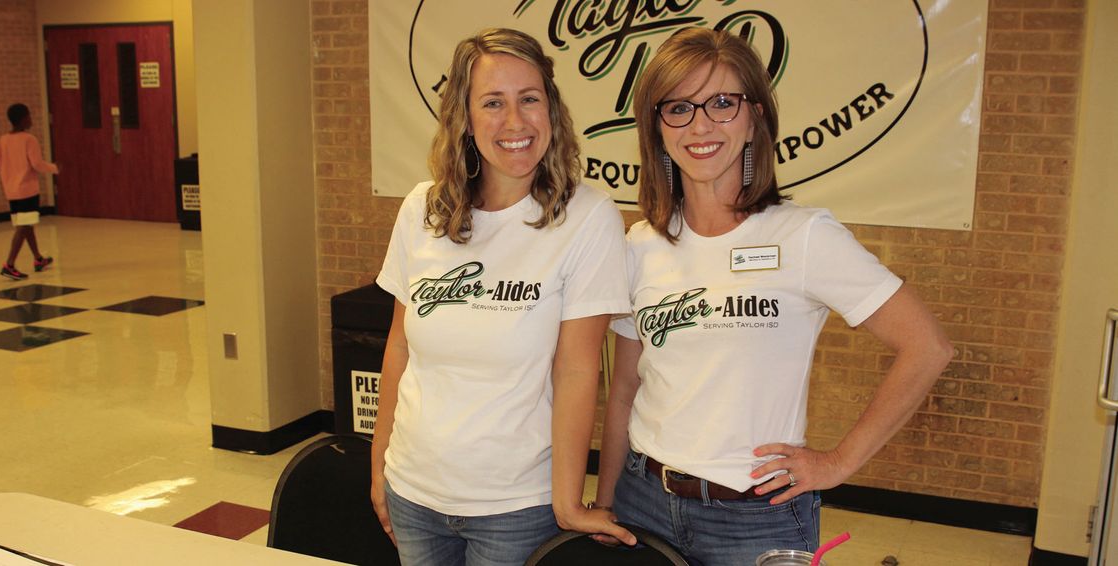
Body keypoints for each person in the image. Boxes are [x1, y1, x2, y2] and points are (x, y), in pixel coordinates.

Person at [593, 28, 952, 565]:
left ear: (754, 114)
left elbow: (927, 347)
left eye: (721, 103)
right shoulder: (640, 245)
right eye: (678, 108)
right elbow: (624, 388)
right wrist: (607, 502)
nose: (701, 125)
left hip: (755, 516)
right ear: (656, 126)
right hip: (643, 503)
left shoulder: (804, 237)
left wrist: (838, 463)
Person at [371, 27, 636, 566]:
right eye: (493, 103)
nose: (514, 122)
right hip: (413, 490)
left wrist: (567, 502)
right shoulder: (424, 209)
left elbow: (579, 371)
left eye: (529, 99)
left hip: (515, 506)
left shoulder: (586, 218)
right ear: (463, 118)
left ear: (551, 110)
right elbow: (399, 347)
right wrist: (379, 466)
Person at [0, 103, 58, 281]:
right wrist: (55, 168)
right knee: (24, 227)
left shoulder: (3, 139)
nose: (31, 118)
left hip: (11, 191)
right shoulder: (29, 139)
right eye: (29, 115)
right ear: (22, 119)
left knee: (26, 226)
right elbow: (37, 164)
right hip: (27, 190)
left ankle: (38, 259)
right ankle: (9, 264)